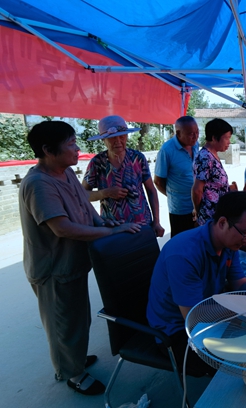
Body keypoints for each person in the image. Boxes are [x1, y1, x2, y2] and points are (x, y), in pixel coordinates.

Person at [19, 121, 141, 396]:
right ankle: (71, 373)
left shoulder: (65, 172)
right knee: (63, 322)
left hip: (72, 264)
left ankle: (73, 358)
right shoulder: (39, 184)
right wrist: (111, 232)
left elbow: (86, 206)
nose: (77, 149)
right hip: (53, 268)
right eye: (71, 144)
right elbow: (62, 228)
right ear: (48, 150)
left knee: (77, 318)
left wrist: (104, 223)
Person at [146, 192, 246, 376]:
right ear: (222, 223)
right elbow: (194, 316)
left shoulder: (230, 244)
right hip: (176, 331)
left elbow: (239, 284)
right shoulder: (183, 254)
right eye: (245, 233)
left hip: (206, 314)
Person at [82, 115, 164, 237]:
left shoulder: (137, 158)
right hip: (113, 227)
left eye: (122, 136)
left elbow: (151, 190)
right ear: (103, 140)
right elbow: (82, 195)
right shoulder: (97, 163)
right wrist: (105, 193)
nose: (118, 141)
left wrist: (156, 222)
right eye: (112, 138)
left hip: (142, 224)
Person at [154, 116, 199, 237]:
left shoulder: (195, 145)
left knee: (197, 240)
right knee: (181, 240)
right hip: (180, 209)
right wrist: (173, 195)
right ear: (178, 133)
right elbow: (158, 181)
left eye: (197, 132)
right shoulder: (166, 150)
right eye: (190, 134)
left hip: (198, 204)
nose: (195, 136)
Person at [192, 118, 232, 226]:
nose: (229, 142)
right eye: (227, 138)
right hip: (209, 217)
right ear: (214, 138)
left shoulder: (213, 155)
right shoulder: (205, 157)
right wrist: (199, 212)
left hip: (218, 214)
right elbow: (197, 190)